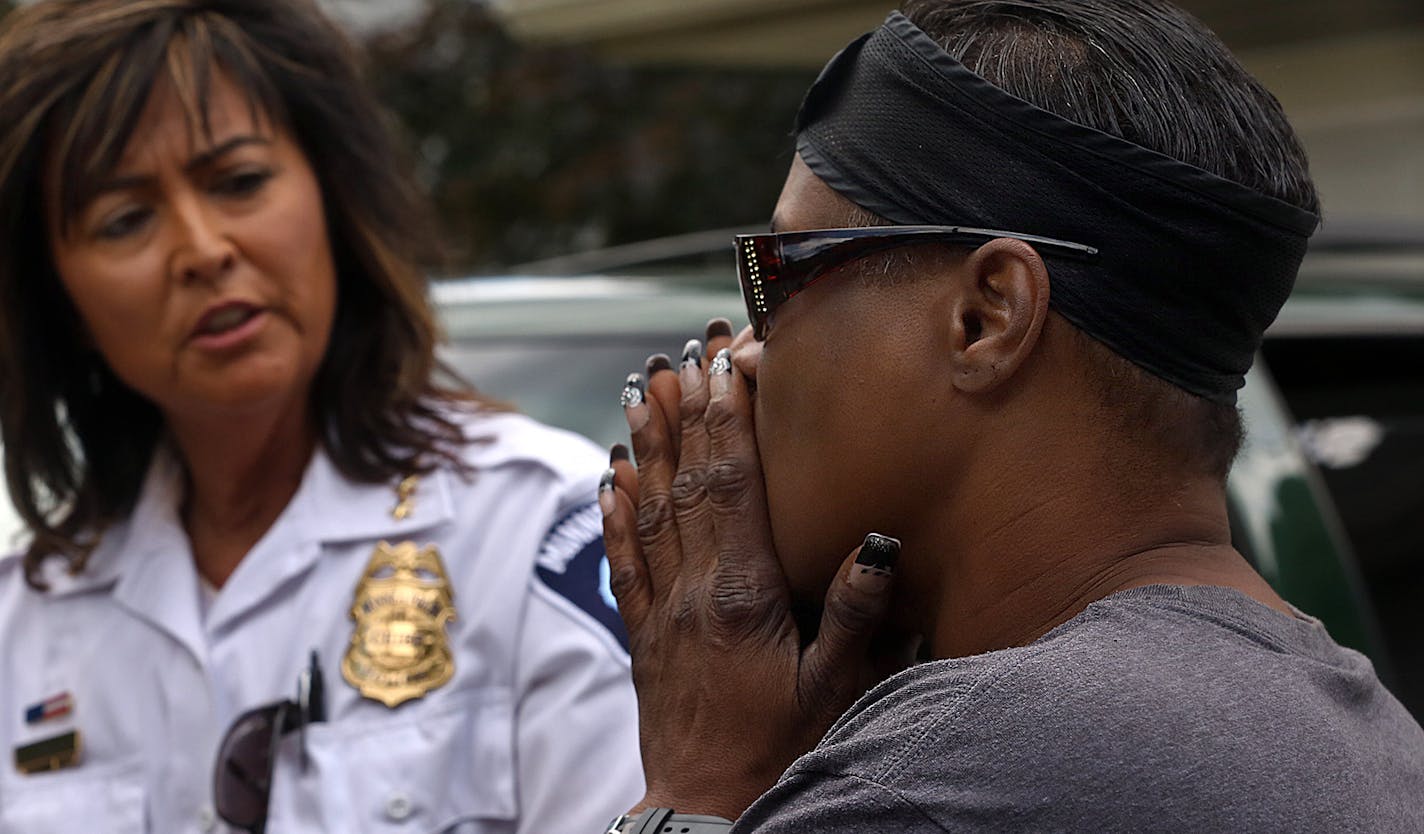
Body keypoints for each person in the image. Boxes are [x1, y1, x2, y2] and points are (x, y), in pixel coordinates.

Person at [598, 1, 1424, 831]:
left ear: (987, 318)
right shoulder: (1377, 731)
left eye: (778, 273)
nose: (742, 351)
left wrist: (699, 787)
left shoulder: (947, 781)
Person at [0, 1, 642, 831]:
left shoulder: (539, 532)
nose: (202, 249)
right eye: (126, 220)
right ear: (62, 303)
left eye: (239, 181)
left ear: (333, 197)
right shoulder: (27, 626)